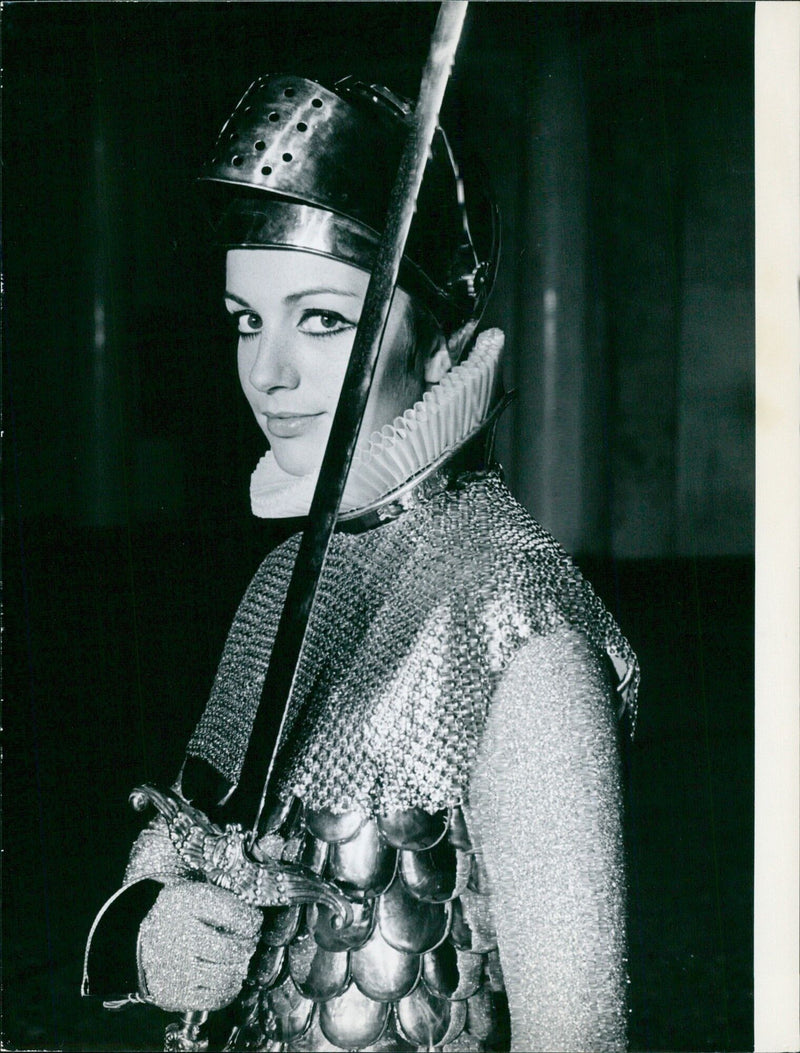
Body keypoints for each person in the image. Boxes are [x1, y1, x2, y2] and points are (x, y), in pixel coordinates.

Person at [84, 73, 638, 1053]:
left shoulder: (518, 628)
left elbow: (579, 1037)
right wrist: (146, 933)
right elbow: (181, 838)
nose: (271, 373)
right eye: (246, 320)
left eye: (324, 321)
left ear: (442, 344)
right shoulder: (280, 582)